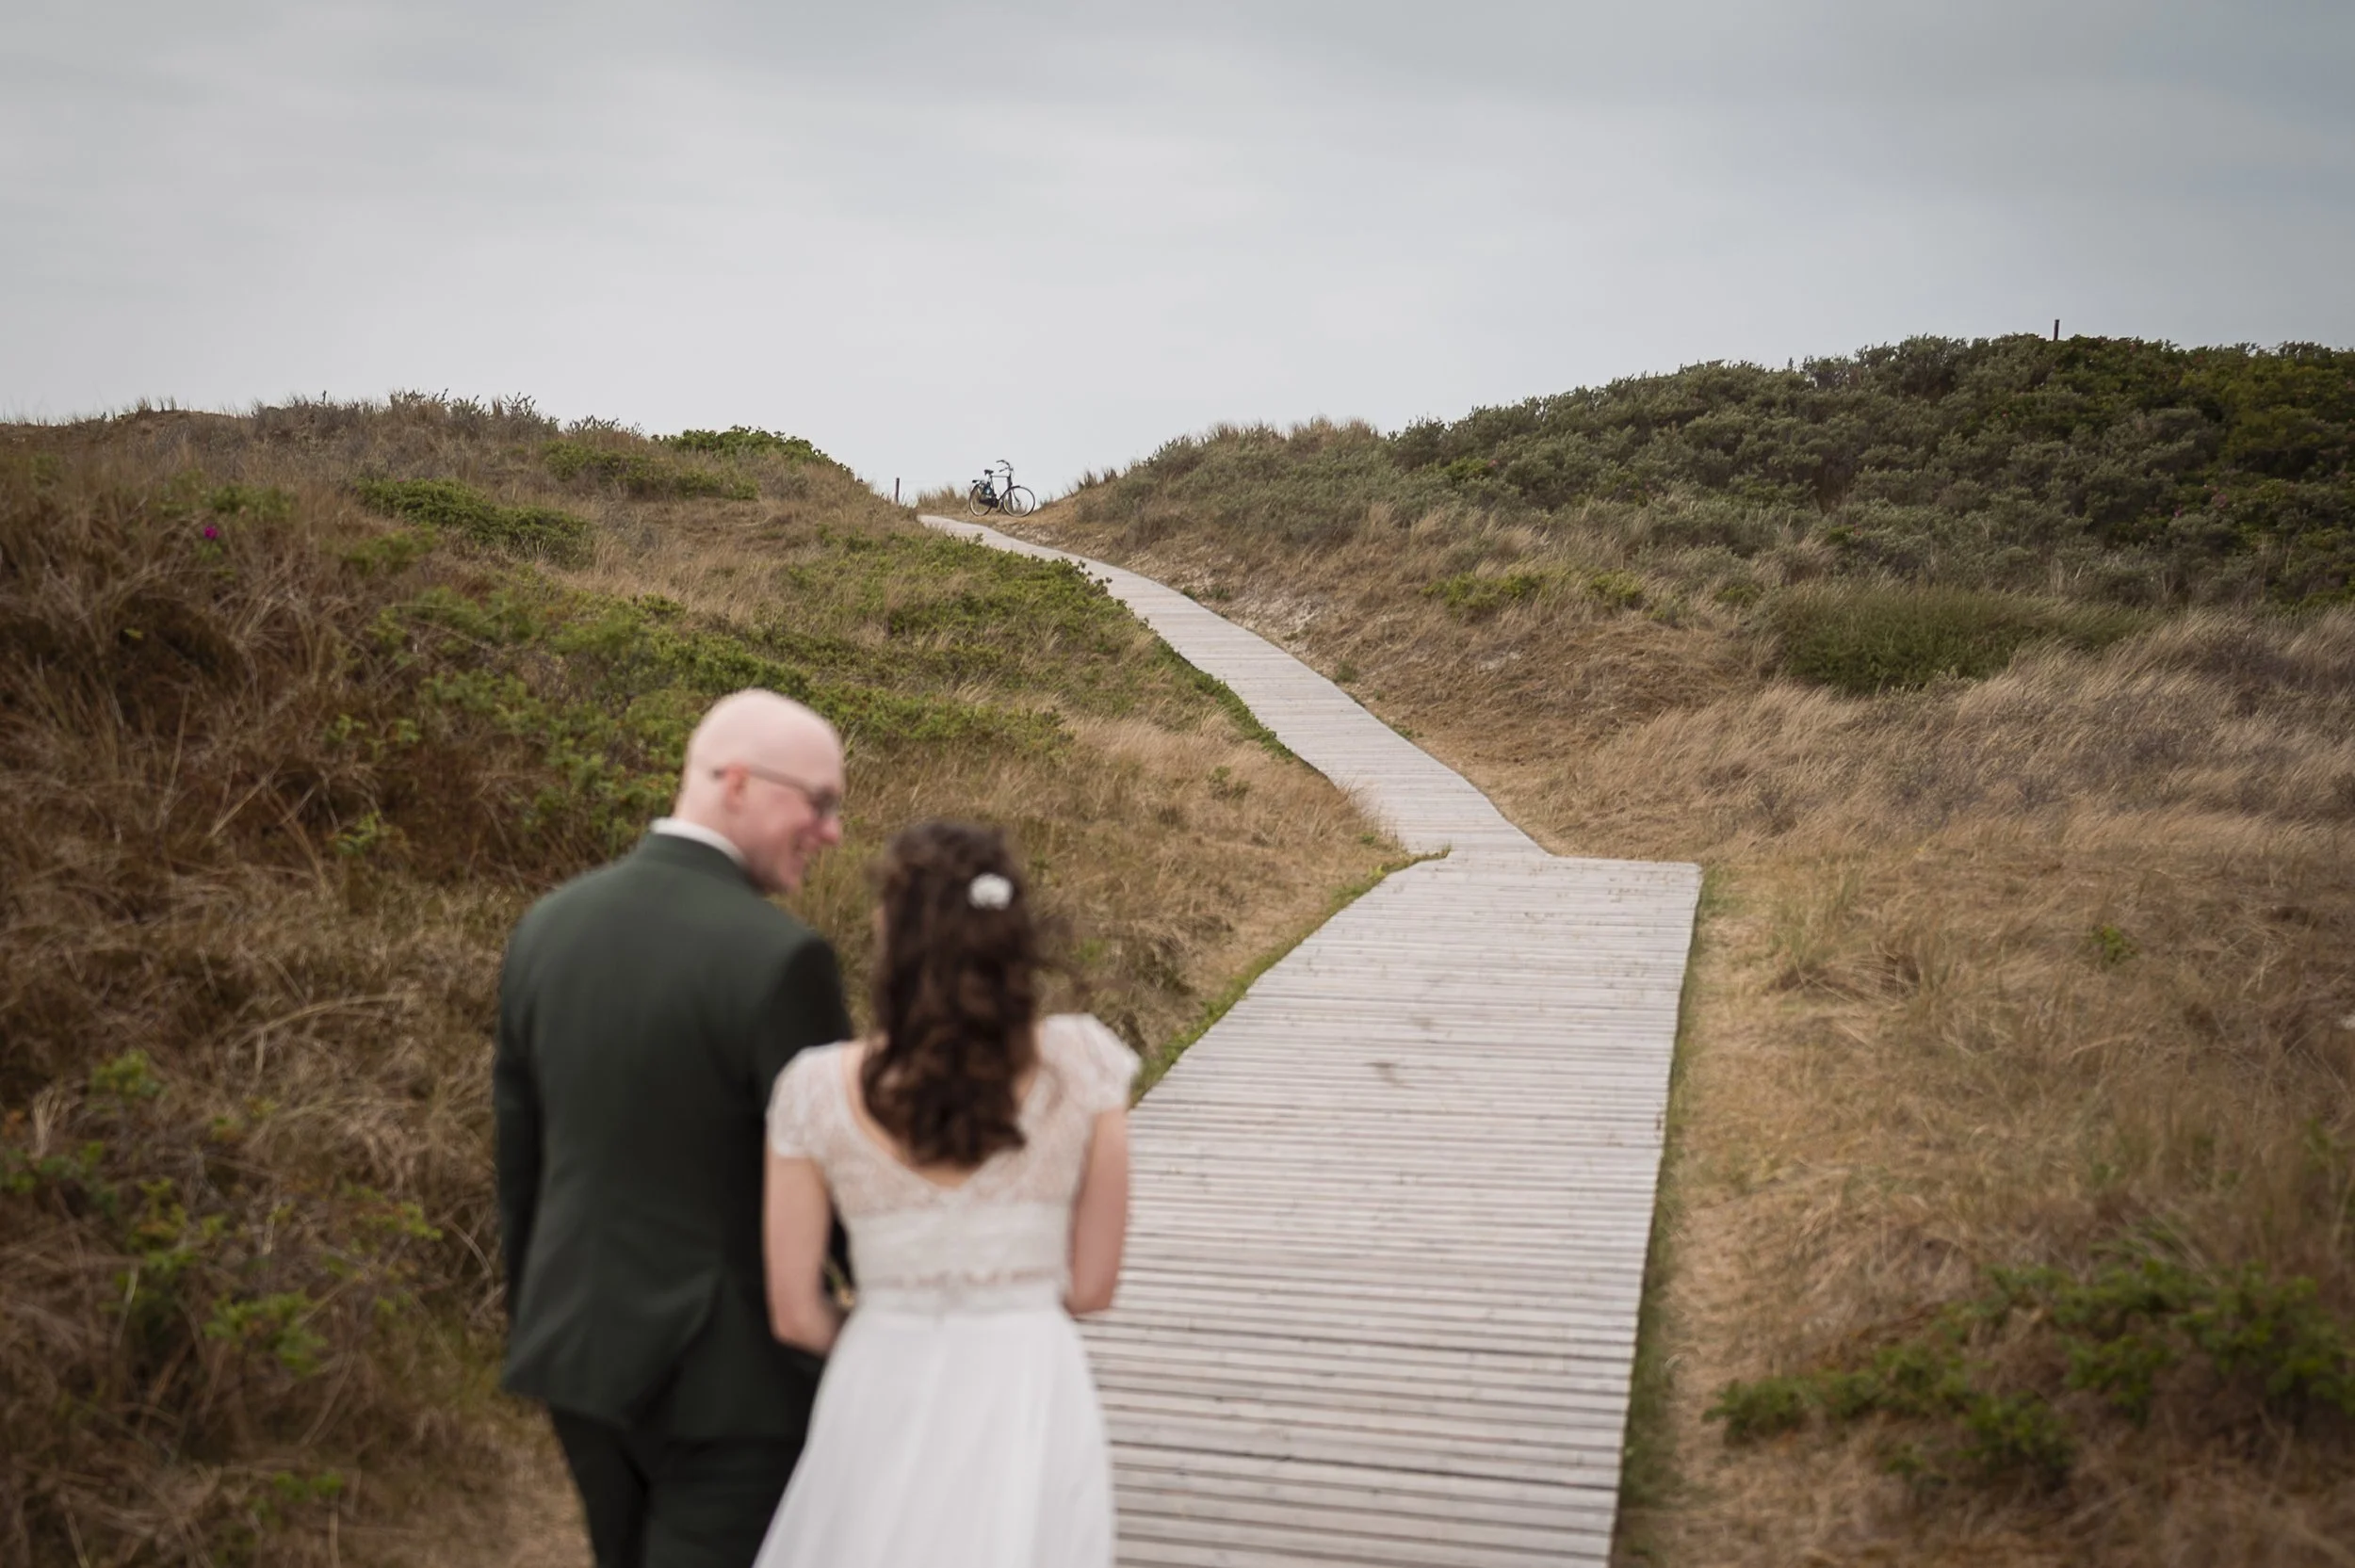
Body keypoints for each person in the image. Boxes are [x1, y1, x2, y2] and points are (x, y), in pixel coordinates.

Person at [493, 688, 853, 1568]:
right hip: (730, 1384)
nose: (832, 829)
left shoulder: (549, 926)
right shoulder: (780, 960)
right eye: (819, 801)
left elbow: (521, 1163)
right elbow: (845, 1179)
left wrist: (540, 1321)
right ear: (735, 781)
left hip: (578, 1357)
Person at [753, 820, 1136, 1568]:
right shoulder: (1085, 1064)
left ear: (893, 943)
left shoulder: (814, 1088)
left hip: (880, 1373)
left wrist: (886, 1334)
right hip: (1029, 1377)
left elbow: (795, 1311)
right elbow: (1092, 1286)